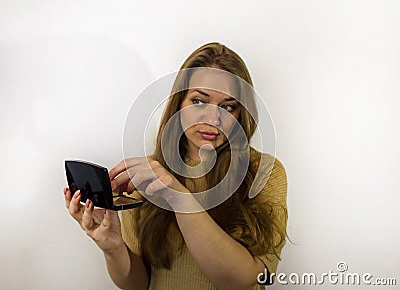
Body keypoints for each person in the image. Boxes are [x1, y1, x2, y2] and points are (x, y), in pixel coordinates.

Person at [64, 42, 288, 290]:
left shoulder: (263, 172)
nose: (213, 119)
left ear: (240, 113)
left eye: (227, 107)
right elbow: (140, 285)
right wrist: (114, 249)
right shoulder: (150, 175)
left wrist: (178, 196)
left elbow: (247, 280)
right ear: (178, 105)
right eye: (199, 102)